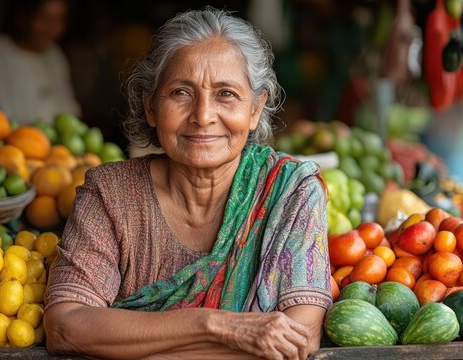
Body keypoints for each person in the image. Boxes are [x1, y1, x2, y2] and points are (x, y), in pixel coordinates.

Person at [44, 8, 332, 360]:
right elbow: (65, 326)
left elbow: (298, 340)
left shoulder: (290, 192)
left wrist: (130, 343)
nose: (203, 115)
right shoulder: (110, 193)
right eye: (181, 93)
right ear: (151, 107)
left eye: (226, 94)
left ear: (256, 109)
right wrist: (214, 325)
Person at [0, 0, 80, 124]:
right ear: (22, 16)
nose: (52, 29)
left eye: (59, 20)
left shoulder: (55, 56)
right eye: (45, 19)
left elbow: (69, 110)